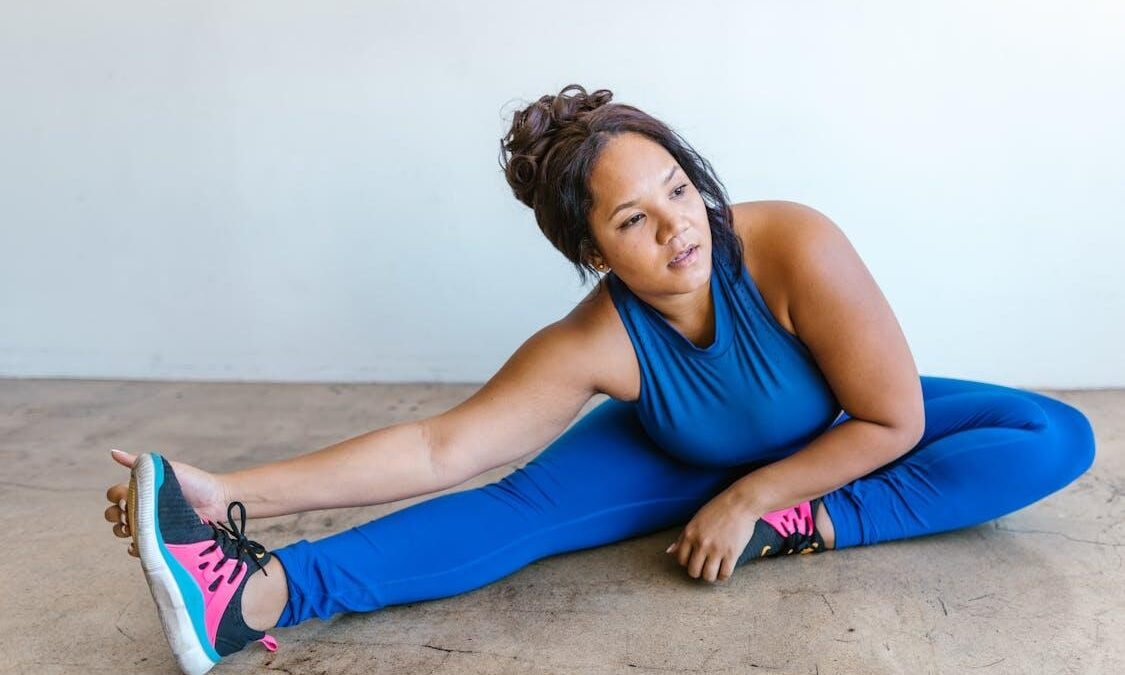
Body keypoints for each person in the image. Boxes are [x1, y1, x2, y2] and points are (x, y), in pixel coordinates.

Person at [104, 83, 1096, 675]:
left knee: (1053, 436)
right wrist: (225, 491)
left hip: (826, 435)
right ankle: (253, 597)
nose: (677, 229)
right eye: (633, 221)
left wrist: (755, 501)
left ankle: (810, 522)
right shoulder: (595, 339)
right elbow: (440, 447)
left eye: (678, 189)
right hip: (673, 452)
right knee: (511, 513)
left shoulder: (795, 245)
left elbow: (891, 419)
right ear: (592, 252)